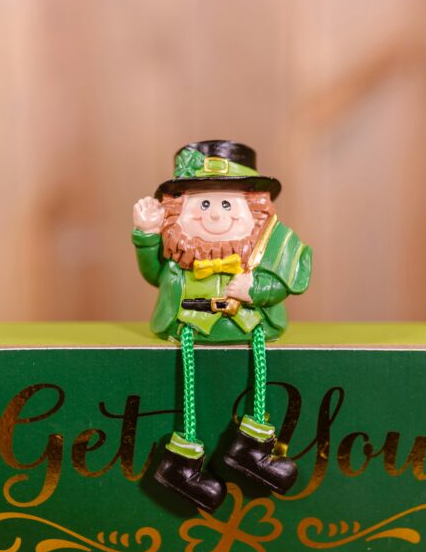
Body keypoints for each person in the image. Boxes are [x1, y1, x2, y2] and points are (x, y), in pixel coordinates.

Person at [132, 140, 312, 512]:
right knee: (187, 389)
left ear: (255, 210)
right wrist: (146, 235)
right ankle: (179, 463)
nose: (214, 216)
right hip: (188, 327)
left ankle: (250, 449)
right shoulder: (179, 259)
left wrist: (255, 287)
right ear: (176, 211)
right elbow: (153, 274)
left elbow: (284, 281)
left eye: (227, 204)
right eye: (204, 204)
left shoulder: (265, 253)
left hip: (250, 324)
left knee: (259, 379)